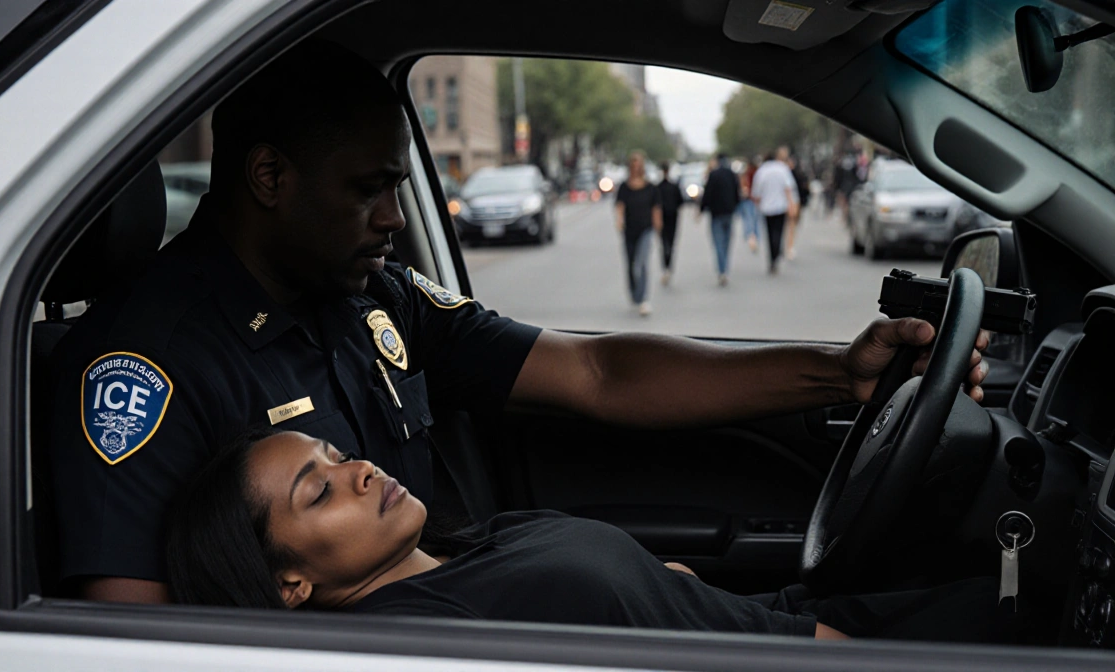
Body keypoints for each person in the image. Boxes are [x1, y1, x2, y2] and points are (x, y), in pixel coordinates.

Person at [48, 39, 991, 605]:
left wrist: (840, 372)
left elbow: (594, 375)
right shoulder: (147, 368)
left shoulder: (376, 297)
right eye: (369, 189)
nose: (393, 217)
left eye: (395, 186)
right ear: (268, 178)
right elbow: (131, 629)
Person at [167, 429, 1016, 644]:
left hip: (778, 614)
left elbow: (658, 584)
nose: (358, 470)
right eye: (319, 491)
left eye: (338, 453)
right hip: (810, 648)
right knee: (1028, 615)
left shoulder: (463, 550)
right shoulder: (445, 636)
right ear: (287, 584)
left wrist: (666, 583)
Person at [614, 151, 662, 315]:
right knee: (631, 264)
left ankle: (643, 299)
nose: (636, 168)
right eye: (633, 165)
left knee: (641, 264)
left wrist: (657, 224)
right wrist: (619, 221)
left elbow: (656, 207)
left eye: (638, 165)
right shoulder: (624, 187)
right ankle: (634, 293)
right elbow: (619, 206)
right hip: (629, 230)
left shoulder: (650, 187)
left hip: (646, 229)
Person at [751, 147, 799, 274]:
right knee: (778, 232)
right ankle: (776, 253)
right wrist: (792, 205)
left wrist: (757, 203)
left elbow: (756, 192)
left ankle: (773, 257)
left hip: (766, 208)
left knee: (770, 233)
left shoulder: (762, 171)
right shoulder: (783, 169)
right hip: (780, 207)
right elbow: (789, 188)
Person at [699, 153, 740, 286]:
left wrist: (701, 209)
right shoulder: (732, 174)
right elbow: (737, 192)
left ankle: (722, 270)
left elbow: (707, 194)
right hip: (729, 212)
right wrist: (736, 206)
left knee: (718, 243)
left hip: (716, 214)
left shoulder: (714, 174)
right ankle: (724, 268)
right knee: (727, 242)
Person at [655, 162, 684, 286]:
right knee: (670, 242)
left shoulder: (659, 187)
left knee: (665, 243)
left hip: (666, 217)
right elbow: (680, 202)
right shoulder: (672, 186)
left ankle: (666, 265)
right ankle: (668, 265)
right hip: (670, 217)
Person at [784, 153, 810, 261]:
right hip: (785, 203)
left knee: (792, 226)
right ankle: (787, 246)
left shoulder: (798, 175)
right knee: (788, 226)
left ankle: (789, 246)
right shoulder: (784, 174)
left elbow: (804, 190)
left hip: (795, 203)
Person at [735, 157, 762, 253]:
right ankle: (754, 237)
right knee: (755, 219)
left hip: (748, 199)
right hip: (755, 199)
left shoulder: (747, 174)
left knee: (748, 219)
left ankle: (751, 236)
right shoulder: (758, 173)